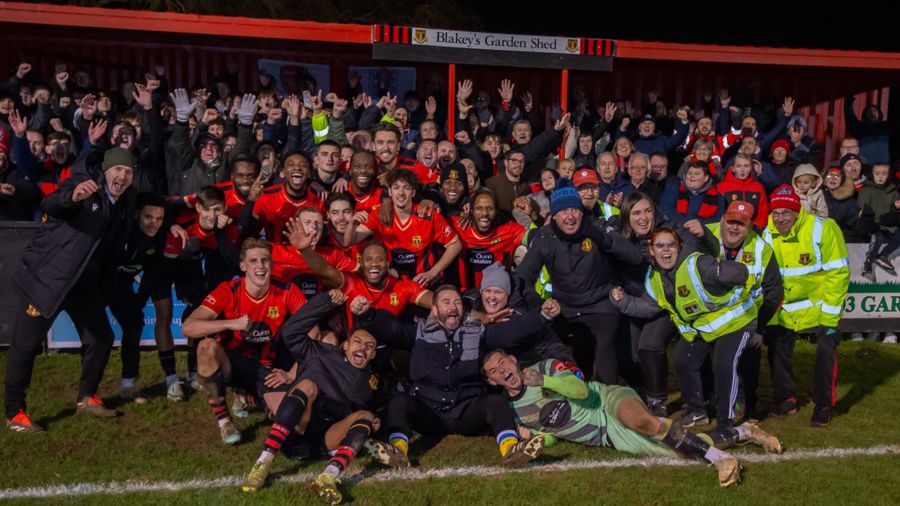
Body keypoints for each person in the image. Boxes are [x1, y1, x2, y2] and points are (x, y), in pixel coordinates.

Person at [482, 351, 783, 488]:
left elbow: (579, 388)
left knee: (642, 421)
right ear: (494, 382)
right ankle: (745, 432)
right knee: (680, 450)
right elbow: (550, 434)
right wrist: (534, 443)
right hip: (605, 436)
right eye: (494, 371)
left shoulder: (544, 366)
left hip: (606, 400)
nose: (501, 370)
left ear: (513, 360)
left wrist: (546, 380)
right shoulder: (517, 412)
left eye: (502, 362)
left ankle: (721, 460)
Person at [6, 148, 138, 431]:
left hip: (82, 285)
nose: (122, 176)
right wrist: (73, 196)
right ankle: (14, 412)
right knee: (25, 345)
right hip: (48, 278)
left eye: (128, 172)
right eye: (117, 170)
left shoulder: (127, 202)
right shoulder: (82, 183)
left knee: (102, 338)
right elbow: (51, 204)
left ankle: (87, 397)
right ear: (106, 171)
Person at [353, 286, 559, 468]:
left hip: (466, 411)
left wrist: (541, 315)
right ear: (434, 309)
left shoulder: (477, 331)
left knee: (496, 402)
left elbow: (510, 332)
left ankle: (511, 450)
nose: (453, 306)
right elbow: (391, 329)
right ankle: (397, 450)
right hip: (429, 412)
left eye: (457, 302)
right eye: (446, 302)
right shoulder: (419, 332)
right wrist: (368, 315)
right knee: (400, 402)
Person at [238, 290, 383, 506]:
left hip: (325, 440)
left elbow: (365, 408)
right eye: (358, 341)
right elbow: (290, 331)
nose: (362, 347)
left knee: (367, 415)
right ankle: (264, 461)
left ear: (373, 355)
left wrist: (375, 422)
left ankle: (328, 477)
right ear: (345, 345)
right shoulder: (319, 351)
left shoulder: (371, 382)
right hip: (297, 428)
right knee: (307, 385)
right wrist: (324, 302)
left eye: (369, 346)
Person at [514, 179, 645, 382]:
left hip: (600, 303)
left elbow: (635, 257)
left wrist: (603, 239)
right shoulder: (544, 238)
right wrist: (538, 304)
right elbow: (523, 277)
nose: (570, 216)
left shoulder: (596, 228)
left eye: (574, 210)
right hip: (564, 306)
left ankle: (609, 394)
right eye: (563, 211)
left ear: (581, 212)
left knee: (604, 344)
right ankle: (569, 392)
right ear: (554, 215)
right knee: (554, 345)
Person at [182, 238, 308, 444]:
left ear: (271, 264)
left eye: (265, 260)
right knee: (206, 347)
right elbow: (189, 327)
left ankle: (250, 397)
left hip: (266, 369)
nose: (260, 266)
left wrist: (292, 372)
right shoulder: (228, 290)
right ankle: (224, 422)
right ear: (243, 266)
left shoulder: (287, 291)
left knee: (295, 424)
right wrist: (231, 323)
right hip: (231, 364)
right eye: (253, 261)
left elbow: (314, 335)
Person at [631, 226, 758, 430]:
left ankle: (727, 421)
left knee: (723, 364)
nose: (666, 250)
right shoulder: (655, 276)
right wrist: (618, 300)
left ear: (679, 248)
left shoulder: (697, 264)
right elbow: (646, 306)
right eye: (660, 245)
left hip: (738, 319)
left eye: (670, 245)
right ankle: (697, 412)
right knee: (682, 361)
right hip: (706, 326)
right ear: (651, 250)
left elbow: (740, 272)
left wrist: (728, 272)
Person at [762, 184, 849, 426]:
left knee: (825, 348)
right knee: (777, 345)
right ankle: (785, 399)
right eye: (775, 213)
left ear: (797, 211)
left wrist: (829, 318)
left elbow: (838, 274)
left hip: (821, 305)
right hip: (787, 307)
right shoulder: (767, 234)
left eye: (786, 213)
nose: (780, 219)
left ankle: (823, 405)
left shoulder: (823, 229)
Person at [707, 201, 784, 419]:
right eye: (730, 222)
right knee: (698, 352)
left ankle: (749, 407)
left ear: (749, 227)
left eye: (740, 224)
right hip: (710, 316)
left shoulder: (761, 248)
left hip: (746, 319)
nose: (733, 228)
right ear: (722, 220)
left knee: (750, 355)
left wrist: (760, 329)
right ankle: (708, 399)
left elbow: (774, 291)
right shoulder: (706, 236)